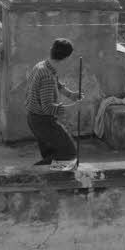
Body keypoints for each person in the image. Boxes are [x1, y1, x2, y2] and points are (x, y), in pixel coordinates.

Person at [25, 37, 82, 166]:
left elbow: (56, 83)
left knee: (52, 153)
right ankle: (33, 174)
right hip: (42, 120)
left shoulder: (43, 65)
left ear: (52, 49)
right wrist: (72, 107)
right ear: (67, 57)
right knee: (68, 153)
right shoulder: (47, 75)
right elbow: (48, 108)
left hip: (34, 117)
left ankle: (51, 180)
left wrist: (71, 95)